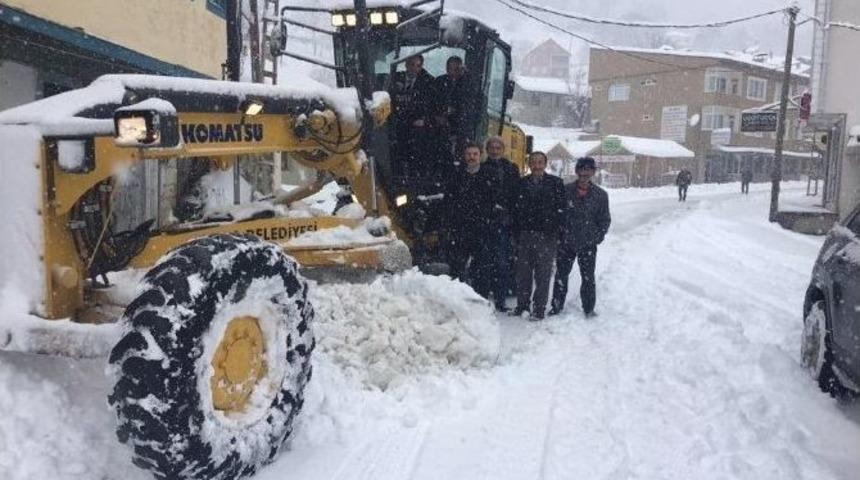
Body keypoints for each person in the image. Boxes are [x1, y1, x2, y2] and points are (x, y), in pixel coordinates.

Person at [550, 157, 611, 318]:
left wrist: (597, 237)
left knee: (588, 277)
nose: (584, 172)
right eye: (581, 169)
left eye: (588, 169)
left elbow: (605, 219)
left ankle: (589, 308)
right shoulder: (564, 190)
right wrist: (560, 236)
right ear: (577, 171)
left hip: (588, 244)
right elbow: (556, 215)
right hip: (566, 242)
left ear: (593, 172)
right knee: (561, 276)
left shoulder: (601, 195)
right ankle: (556, 306)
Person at [511, 151, 566, 320]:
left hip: (547, 236)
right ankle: (522, 306)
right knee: (523, 274)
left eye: (540, 162)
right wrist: (515, 233)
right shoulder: (521, 183)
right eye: (533, 162)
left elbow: (562, 211)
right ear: (529, 164)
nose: (536, 165)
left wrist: (559, 234)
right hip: (525, 235)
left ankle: (539, 309)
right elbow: (515, 210)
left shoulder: (556, 184)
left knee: (543, 275)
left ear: (545, 164)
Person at [446, 142, 493, 288]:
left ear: (481, 156)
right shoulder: (457, 175)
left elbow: (493, 200)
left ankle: (480, 294)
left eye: (475, 154)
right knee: (457, 263)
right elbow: (449, 199)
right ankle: (458, 292)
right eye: (469, 154)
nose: (471, 157)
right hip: (460, 227)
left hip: (481, 227)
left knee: (481, 265)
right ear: (464, 156)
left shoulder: (488, 175)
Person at [482, 136, 521, 311]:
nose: (495, 150)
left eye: (498, 148)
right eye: (492, 147)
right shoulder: (481, 169)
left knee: (503, 262)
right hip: (485, 221)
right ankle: (482, 296)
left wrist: (509, 213)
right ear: (487, 149)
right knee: (484, 261)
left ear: (503, 149)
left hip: (504, 222)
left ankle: (500, 298)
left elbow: (516, 195)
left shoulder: (511, 168)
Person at [388, 54, 436, 177]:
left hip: (417, 125)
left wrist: (424, 120)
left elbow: (431, 106)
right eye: (412, 65)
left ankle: (416, 175)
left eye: (418, 66)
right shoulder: (395, 78)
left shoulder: (428, 82)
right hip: (396, 122)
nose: (414, 68)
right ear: (406, 65)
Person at [435, 56, 474, 159]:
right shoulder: (439, 81)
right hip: (438, 126)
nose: (452, 72)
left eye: (456, 69)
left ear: (462, 69)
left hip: (459, 128)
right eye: (450, 69)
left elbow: (468, 106)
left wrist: (453, 112)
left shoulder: (467, 84)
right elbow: (432, 101)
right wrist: (439, 115)